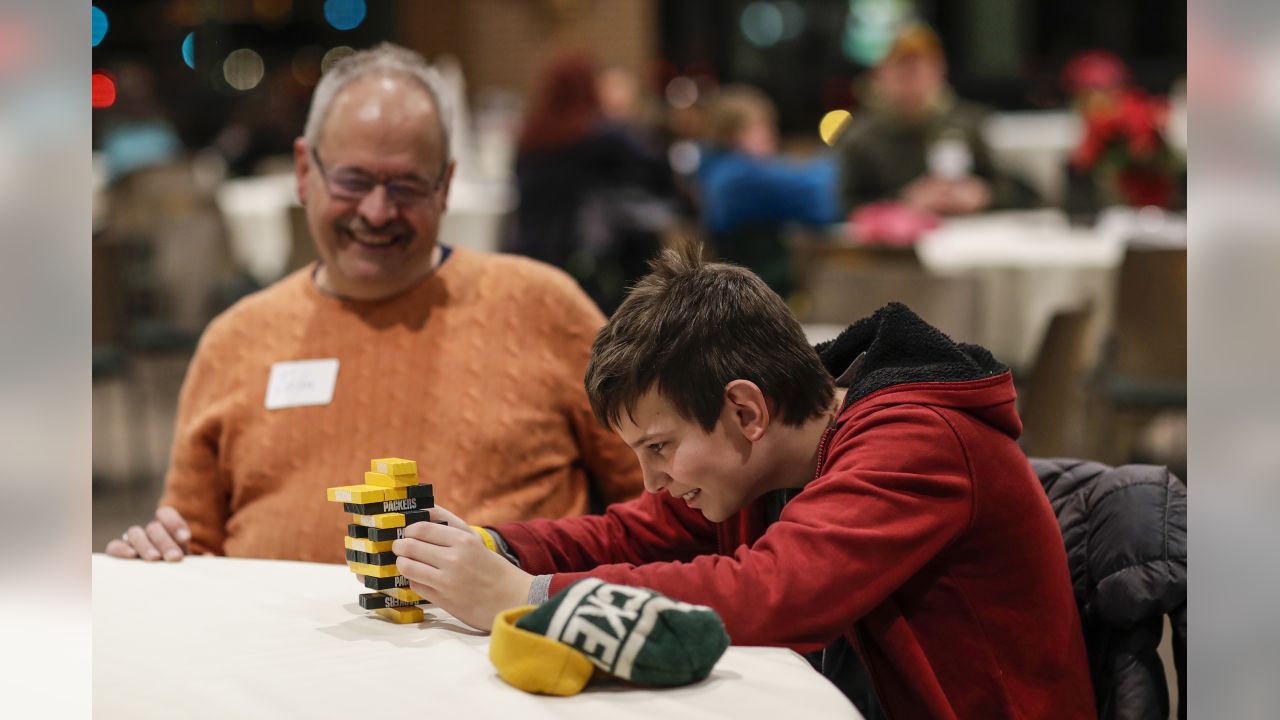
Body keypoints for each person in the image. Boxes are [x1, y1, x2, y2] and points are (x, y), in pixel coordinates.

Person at [391, 243, 1096, 718]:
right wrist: (495, 549)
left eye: (660, 446)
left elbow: (778, 592)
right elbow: (637, 529)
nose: (653, 479)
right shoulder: (769, 464)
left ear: (745, 409)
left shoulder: (917, 441)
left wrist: (530, 599)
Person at [105, 43, 643, 564]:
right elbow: (192, 545)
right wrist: (161, 555)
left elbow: (654, 507)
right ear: (303, 171)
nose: (378, 211)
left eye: (407, 186)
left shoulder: (543, 309)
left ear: (446, 185)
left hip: (491, 649)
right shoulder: (236, 340)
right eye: (353, 180)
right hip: (269, 652)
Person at [509, 51, 676, 315]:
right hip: (585, 263)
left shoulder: (529, 136)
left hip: (531, 257)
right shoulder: (602, 135)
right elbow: (659, 167)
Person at [835, 24, 1030, 215]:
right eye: (902, 71)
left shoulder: (967, 123)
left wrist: (983, 195)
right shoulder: (861, 137)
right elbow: (843, 207)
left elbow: (1022, 191)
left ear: (939, 70)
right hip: (897, 244)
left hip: (965, 236)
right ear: (880, 74)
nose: (913, 79)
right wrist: (903, 200)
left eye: (921, 68)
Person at [696, 84, 840, 299]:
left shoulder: (720, 170)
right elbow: (822, 201)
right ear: (734, 134)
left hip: (748, 290)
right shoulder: (736, 177)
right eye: (762, 127)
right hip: (749, 296)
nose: (772, 135)